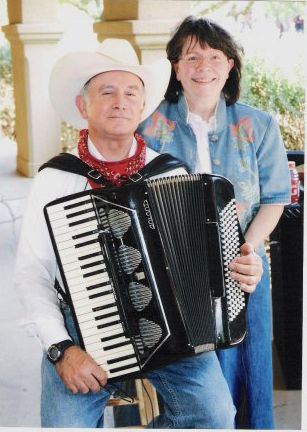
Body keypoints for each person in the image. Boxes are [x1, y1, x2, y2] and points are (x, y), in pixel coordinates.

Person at [14, 37, 263, 429]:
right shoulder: (56, 178)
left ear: (141, 106)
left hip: (176, 329)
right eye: (107, 91)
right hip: (80, 333)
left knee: (216, 417)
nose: (121, 101)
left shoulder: (169, 172)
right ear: (84, 106)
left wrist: (244, 270)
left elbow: (214, 266)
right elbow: (32, 275)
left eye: (132, 92)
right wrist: (60, 350)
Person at [138, 16, 291, 429]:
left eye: (213, 56)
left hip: (243, 266)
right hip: (171, 272)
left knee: (247, 369)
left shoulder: (259, 125)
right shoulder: (149, 125)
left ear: (230, 66)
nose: (202, 66)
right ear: (176, 67)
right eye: (192, 56)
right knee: (191, 379)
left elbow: (276, 198)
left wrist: (249, 248)